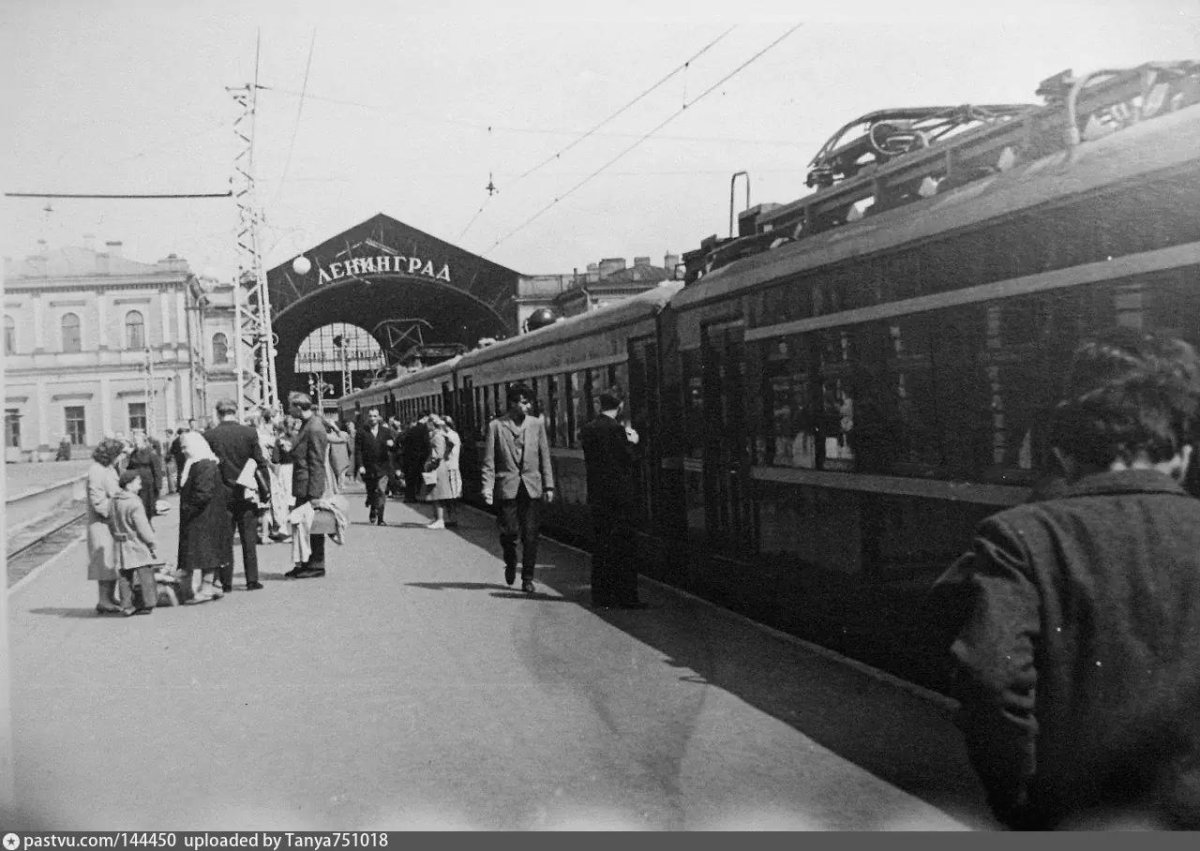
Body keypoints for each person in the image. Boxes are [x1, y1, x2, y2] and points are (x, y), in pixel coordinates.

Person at [948, 333, 1200, 830]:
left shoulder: (1020, 535)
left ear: (1065, 456)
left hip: (1076, 815)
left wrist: (1019, 796)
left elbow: (989, 676)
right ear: (1184, 457)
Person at [480, 384, 554, 593]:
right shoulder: (496, 426)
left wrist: (549, 485)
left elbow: (544, 456)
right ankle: (511, 562)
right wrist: (487, 487)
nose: (528, 406)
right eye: (524, 402)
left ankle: (528, 578)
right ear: (512, 403)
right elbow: (489, 461)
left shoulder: (536, 425)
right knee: (509, 533)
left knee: (531, 535)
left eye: (529, 402)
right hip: (507, 487)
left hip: (532, 486)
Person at [580, 388, 645, 609]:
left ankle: (601, 596)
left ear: (600, 405)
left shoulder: (587, 430)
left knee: (601, 547)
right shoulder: (618, 431)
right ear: (620, 407)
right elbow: (628, 460)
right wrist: (633, 442)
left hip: (598, 496)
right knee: (624, 548)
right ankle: (626, 596)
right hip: (620, 498)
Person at [204, 400, 269, 592]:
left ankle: (226, 582)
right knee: (249, 537)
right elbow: (260, 462)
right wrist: (266, 491)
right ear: (236, 411)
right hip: (246, 492)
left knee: (225, 539)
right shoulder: (249, 433)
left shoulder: (210, 436)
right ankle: (252, 580)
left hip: (222, 495)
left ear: (218, 413)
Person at [177, 431, 231, 604]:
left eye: (186, 447)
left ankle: (207, 587)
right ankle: (212, 585)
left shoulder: (204, 465)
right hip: (204, 516)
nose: (184, 451)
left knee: (204, 551)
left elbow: (203, 493)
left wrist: (188, 508)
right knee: (205, 550)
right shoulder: (200, 463)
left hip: (203, 517)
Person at [285, 392, 329, 579]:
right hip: (303, 484)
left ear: (299, 407)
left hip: (309, 486)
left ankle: (316, 564)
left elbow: (317, 462)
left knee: (313, 526)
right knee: (302, 526)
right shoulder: (305, 425)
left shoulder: (315, 428)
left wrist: (315, 494)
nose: (288, 410)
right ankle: (305, 563)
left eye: (290, 407)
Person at [87, 438, 129, 615]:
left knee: (112, 561)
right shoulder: (96, 471)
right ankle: (103, 600)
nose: (120, 457)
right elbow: (98, 501)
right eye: (118, 454)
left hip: (111, 523)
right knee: (103, 561)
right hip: (102, 523)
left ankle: (110, 598)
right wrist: (116, 511)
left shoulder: (108, 468)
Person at [111, 470, 160, 616]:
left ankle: (126, 605)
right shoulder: (134, 503)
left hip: (121, 543)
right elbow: (142, 527)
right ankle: (147, 603)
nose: (140, 486)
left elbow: (111, 521)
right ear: (129, 484)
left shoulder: (114, 501)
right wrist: (152, 542)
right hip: (136, 543)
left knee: (125, 575)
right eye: (137, 483)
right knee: (145, 573)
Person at [355, 407, 395, 525]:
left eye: (375, 416)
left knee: (381, 491)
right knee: (372, 491)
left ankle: (381, 518)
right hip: (368, 467)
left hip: (383, 466)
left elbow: (394, 448)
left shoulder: (386, 431)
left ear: (379, 417)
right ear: (367, 417)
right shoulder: (362, 432)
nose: (372, 418)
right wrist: (360, 465)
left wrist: (391, 445)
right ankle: (373, 508)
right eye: (370, 416)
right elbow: (358, 451)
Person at [124, 430, 161, 524]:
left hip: (147, 484)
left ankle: (147, 525)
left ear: (144, 441)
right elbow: (129, 467)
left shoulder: (151, 453)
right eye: (135, 441)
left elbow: (157, 470)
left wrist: (158, 486)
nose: (136, 443)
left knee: (147, 506)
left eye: (137, 441)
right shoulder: (133, 453)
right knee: (136, 506)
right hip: (135, 484)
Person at [402, 415, 432, 503]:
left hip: (409, 457)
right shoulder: (423, 429)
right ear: (425, 419)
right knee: (420, 478)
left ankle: (409, 497)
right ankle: (422, 497)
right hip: (420, 458)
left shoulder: (412, 429)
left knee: (411, 479)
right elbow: (427, 444)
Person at [440, 415, 463, 528]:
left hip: (450, 467)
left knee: (451, 495)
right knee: (450, 495)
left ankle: (453, 518)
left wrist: (442, 456)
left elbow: (449, 447)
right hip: (450, 467)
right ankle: (451, 517)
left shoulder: (450, 435)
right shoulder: (453, 434)